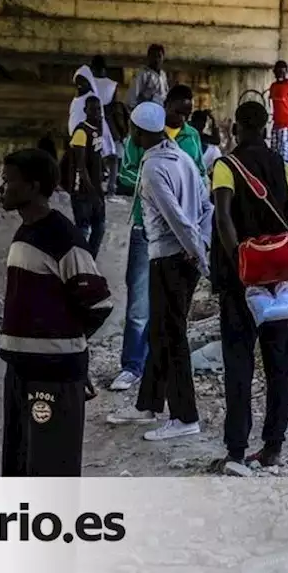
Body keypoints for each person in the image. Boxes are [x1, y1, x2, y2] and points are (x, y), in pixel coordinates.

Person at [0, 149, 112, 477]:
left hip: (53, 375)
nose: (2, 188)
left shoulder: (61, 237)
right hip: (21, 371)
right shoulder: (26, 234)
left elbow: (98, 304)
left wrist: (71, 353)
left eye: (9, 181)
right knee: (20, 466)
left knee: (51, 471)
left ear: (33, 187)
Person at [106, 102, 212, 442]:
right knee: (160, 334)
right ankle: (147, 405)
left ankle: (185, 416)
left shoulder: (152, 169)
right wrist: (201, 246)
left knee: (173, 336)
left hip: (170, 259)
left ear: (139, 133)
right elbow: (204, 206)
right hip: (181, 257)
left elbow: (176, 218)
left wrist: (198, 254)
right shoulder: (181, 157)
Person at [209, 100, 288, 467]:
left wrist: (242, 263)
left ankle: (235, 450)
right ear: (265, 128)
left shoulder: (225, 166)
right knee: (279, 364)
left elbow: (223, 219)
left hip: (239, 283)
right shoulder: (286, 168)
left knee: (239, 364)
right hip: (278, 281)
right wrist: (272, 262)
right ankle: (273, 446)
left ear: (236, 129)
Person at [68, 95, 107, 257]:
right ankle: (80, 264)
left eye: (99, 109)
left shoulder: (97, 129)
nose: (97, 112)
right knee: (83, 229)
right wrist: (93, 194)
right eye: (93, 109)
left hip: (95, 187)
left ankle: (89, 263)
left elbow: (97, 156)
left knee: (100, 227)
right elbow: (81, 167)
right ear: (85, 111)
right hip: (83, 190)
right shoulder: (81, 132)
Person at [69, 66, 118, 186]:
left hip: (93, 133)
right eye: (78, 81)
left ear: (89, 82)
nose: (80, 84)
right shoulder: (76, 99)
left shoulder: (93, 98)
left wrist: (100, 136)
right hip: (79, 134)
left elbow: (99, 118)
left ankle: (111, 186)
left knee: (109, 157)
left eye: (83, 81)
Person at [89, 55, 124, 194]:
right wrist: (120, 128)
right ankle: (111, 186)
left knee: (93, 154)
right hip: (108, 122)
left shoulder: (88, 84)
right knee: (113, 156)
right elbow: (114, 109)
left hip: (91, 122)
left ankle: (94, 184)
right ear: (105, 69)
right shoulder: (112, 85)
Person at [267, 60, 288, 166]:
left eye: (282, 71)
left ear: (286, 72)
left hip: (287, 124)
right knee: (274, 152)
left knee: (286, 155)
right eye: (278, 71)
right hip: (276, 124)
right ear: (274, 72)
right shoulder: (273, 86)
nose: (280, 73)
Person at [127, 44, 169, 109]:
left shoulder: (163, 74)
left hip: (161, 109)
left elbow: (165, 93)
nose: (156, 59)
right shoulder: (142, 74)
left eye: (159, 56)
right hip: (148, 110)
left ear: (163, 57)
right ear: (148, 57)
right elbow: (133, 95)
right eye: (154, 56)